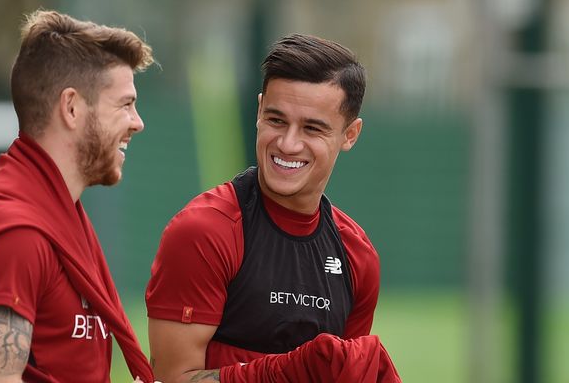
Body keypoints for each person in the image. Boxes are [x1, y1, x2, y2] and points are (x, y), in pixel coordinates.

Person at [0, 10, 157, 383]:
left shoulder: (57, 212)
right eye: (125, 104)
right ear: (72, 107)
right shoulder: (16, 235)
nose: (137, 122)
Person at [145, 34, 401, 382]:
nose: (287, 143)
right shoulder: (203, 232)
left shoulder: (358, 255)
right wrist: (290, 372)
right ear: (259, 110)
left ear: (350, 134)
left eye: (312, 128)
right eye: (276, 120)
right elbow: (171, 379)